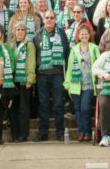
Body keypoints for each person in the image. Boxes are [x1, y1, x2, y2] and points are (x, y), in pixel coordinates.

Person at [35, 8, 70, 141]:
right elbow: (35, 54)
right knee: (43, 104)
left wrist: (67, 74)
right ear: (43, 20)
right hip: (42, 74)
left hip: (57, 73)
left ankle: (60, 132)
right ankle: (43, 132)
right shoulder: (37, 35)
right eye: (47, 18)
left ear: (55, 20)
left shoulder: (61, 33)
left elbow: (66, 52)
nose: (49, 20)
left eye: (51, 18)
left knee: (58, 104)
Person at [64, 20, 99, 141]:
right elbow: (69, 67)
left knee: (85, 108)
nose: (84, 36)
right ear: (78, 36)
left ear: (89, 35)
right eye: (81, 34)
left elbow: (98, 65)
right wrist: (67, 83)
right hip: (76, 83)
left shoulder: (94, 48)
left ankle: (88, 131)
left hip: (89, 83)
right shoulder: (74, 49)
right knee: (77, 109)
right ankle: (81, 131)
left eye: (86, 34)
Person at [7, 14, 36, 142]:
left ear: (26, 32)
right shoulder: (9, 44)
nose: (20, 32)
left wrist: (30, 79)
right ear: (14, 31)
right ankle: (14, 134)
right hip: (12, 81)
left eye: (22, 30)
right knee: (12, 108)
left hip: (24, 80)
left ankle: (23, 135)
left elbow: (31, 62)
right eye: (18, 29)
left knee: (23, 109)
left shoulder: (29, 44)